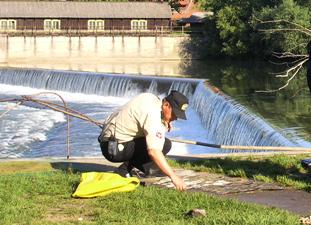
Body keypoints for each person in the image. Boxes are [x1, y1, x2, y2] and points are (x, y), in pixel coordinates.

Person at [98, 90, 189, 191]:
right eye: (175, 114)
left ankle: (137, 169)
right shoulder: (153, 115)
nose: (175, 118)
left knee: (164, 143)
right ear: (166, 105)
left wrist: (164, 121)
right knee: (162, 146)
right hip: (113, 149)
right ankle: (124, 170)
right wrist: (173, 177)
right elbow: (153, 151)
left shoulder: (151, 98)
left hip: (110, 141)